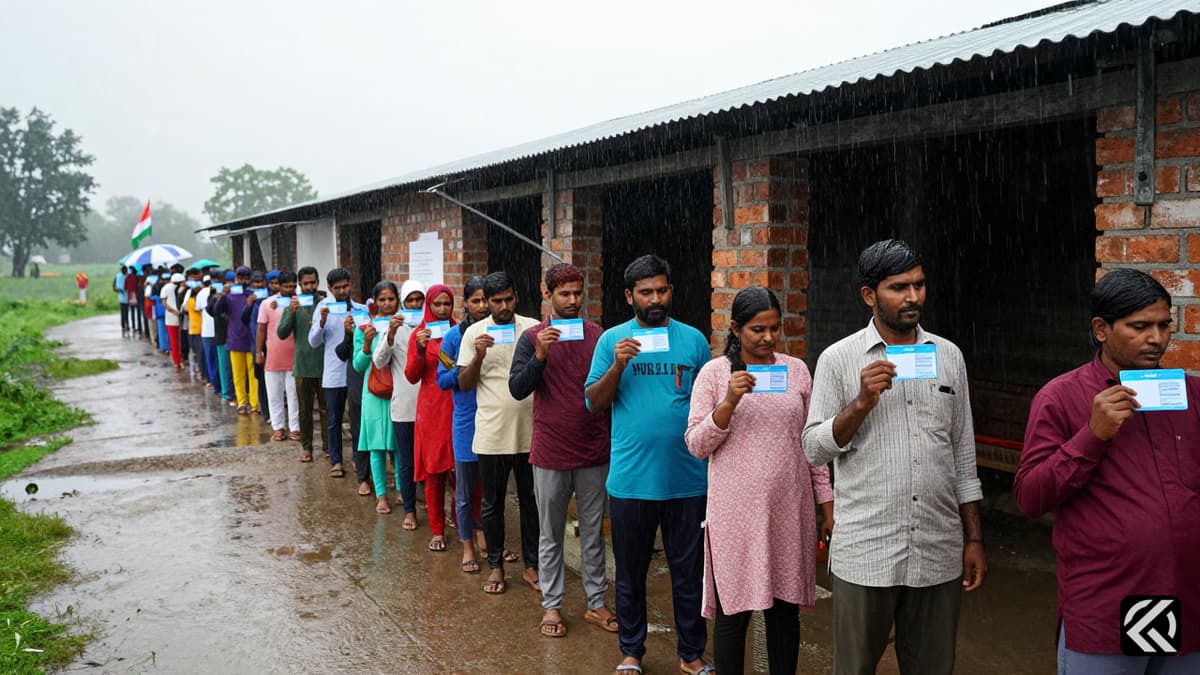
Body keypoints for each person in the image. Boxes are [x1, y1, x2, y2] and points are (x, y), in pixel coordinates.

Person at [801, 239, 985, 675]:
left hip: (937, 550)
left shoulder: (948, 356)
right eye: (899, 287)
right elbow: (813, 447)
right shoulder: (838, 359)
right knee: (855, 668)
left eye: (919, 285)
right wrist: (860, 402)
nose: (913, 297)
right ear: (869, 295)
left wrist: (973, 537)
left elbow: (962, 454)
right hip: (867, 552)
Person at [1014, 269, 1200, 673]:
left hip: (1185, 600)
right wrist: (1091, 436)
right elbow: (1030, 497)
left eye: (1164, 326)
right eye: (1140, 326)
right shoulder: (1061, 398)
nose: (1157, 338)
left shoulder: (1188, 393)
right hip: (1110, 605)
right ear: (1101, 329)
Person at [686, 286, 834, 675]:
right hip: (735, 516)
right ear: (735, 329)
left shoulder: (796, 370)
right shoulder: (715, 375)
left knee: (785, 613)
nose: (769, 338)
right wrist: (729, 402)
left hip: (789, 511)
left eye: (775, 328)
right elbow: (696, 445)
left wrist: (827, 505)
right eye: (757, 330)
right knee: (735, 614)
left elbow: (811, 445)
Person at [584, 254, 713, 675]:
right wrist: (619, 365)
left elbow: (705, 404)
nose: (655, 299)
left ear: (671, 291)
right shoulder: (611, 341)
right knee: (630, 572)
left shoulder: (693, 340)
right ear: (629, 296)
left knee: (688, 574)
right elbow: (594, 403)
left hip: (688, 479)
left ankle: (691, 653)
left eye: (661, 290)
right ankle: (631, 652)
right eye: (645, 292)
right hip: (632, 481)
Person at [509, 263, 616, 638]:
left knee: (592, 531)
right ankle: (551, 606)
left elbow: (608, 389)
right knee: (550, 532)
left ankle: (596, 601)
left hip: (593, 450)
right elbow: (517, 389)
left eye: (577, 293)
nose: (573, 301)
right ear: (547, 294)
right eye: (564, 294)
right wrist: (540, 355)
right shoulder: (532, 337)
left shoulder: (598, 336)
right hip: (551, 450)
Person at [457, 271, 541, 595]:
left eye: (509, 299)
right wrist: (479, 355)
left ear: (516, 297)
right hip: (492, 433)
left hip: (531, 431)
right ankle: (495, 565)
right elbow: (464, 384)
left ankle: (532, 565)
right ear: (486, 302)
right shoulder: (475, 333)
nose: (504, 306)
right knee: (491, 504)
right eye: (497, 301)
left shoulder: (531, 328)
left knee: (530, 501)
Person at [437, 276, 491, 573]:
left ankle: (488, 537)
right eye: (476, 301)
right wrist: (465, 370)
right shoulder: (454, 338)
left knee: (491, 488)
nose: (483, 306)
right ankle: (467, 544)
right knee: (465, 488)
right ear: (466, 303)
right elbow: (442, 380)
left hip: (496, 420)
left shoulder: (501, 333)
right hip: (467, 421)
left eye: (487, 300)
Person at [404, 283, 458, 553]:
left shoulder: (460, 331)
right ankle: (437, 529)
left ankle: (462, 522)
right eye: (436, 304)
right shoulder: (419, 334)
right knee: (435, 473)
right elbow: (412, 376)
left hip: (458, 408)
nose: (441, 309)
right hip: (431, 411)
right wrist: (422, 350)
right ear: (429, 305)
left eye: (446, 304)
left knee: (461, 472)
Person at [310, 267, 368, 480]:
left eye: (345, 286)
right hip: (333, 373)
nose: (342, 291)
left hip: (357, 373)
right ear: (330, 289)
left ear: (350, 284)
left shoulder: (362, 309)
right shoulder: (323, 308)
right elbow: (313, 342)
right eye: (337, 288)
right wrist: (322, 322)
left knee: (357, 420)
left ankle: (357, 458)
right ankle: (336, 460)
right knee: (333, 419)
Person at [377, 280, 425, 526]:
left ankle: (433, 504)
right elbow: (379, 361)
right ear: (403, 302)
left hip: (431, 406)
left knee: (432, 460)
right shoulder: (394, 327)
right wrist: (391, 334)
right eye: (411, 300)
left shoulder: (434, 326)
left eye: (419, 299)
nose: (415, 304)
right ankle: (409, 509)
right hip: (405, 406)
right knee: (406, 461)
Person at [354, 281, 403, 514]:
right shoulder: (364, 327)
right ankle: (382, 495)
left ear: (397, 300)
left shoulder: (405, 324)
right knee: (376, 446)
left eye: (390, 299)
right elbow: (357, 365)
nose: (386, 304)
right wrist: (365, 344)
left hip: (399, 389)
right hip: (373, 391)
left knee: (398, 444)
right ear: (375, 302)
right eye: (382, 300)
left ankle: (403, 490)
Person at [279, 266, 327, 463]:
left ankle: (328, 447)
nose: (309, 286)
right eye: (305, 283)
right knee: (305, 410)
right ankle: (307, 448)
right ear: (299, 284)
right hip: (302, 367)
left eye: (313, 282)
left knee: (327, 410)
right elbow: (281, 333)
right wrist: (291, 312)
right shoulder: (292, 305)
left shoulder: (325, 303)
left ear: (317, 282)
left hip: (325, 366)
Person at [336, 296, 373, 496]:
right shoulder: (355, 320)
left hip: (382, 381)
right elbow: (342, 354)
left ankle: (386, 478)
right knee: (360, 431)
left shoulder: (373, 314)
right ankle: (363, 477)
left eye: (390, 300)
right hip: (358, 381)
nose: (386, 304)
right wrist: (348, 334)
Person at [258, 270, 300, 441]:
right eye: (286, 286)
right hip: (273, 356)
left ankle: (295, 428)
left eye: (293, 286)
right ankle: (278, 427)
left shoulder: (301, 303)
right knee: (274, 394)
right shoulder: (268, 304)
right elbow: (261, 329)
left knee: (294, 395)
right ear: (279, 286)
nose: (290, 289)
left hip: (295, 357)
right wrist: (258, 352)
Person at [214, 266, 259, 415]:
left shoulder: (254, 295)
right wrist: (222, 295)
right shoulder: (229, 296)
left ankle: (254, 404)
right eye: (240, 278)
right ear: (236, 279)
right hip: (234, 339)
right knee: (238, 374)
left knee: (253, 375)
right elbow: (216, 311)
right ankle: (242, 402)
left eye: (246, 278)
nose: (243, 281)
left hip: (251, 339)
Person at [196, 276, 219, 389]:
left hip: (207, 330)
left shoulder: (200, 293)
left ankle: (213, 382)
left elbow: (198, 308)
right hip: (220, 331)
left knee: (210, 358)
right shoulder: (223, 290)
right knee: (220, 359)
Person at [162, 272, 185, 368]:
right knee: (178, 340)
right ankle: (178, 360)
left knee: (174, 340)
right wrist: (177, 312)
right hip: (177, 316)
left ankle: (177, 361)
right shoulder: (182, 288)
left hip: (171, 317)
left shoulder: (166, 287)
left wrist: (173, 311)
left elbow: (164, 303)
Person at [125, 264, 144, 337]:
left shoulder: (127, 277)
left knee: (132, 312)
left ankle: (133, 326)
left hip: (130, 296)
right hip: (137, 296)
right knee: (139, 312)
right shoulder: (137, 277)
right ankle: (139, 327)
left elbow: (125, 287)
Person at [115, 265, 129, 333]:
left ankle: (124, 325)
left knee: (124, 312)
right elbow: (114, 287)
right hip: (124, 297)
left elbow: (114, 287)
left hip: (125, 296)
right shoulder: (125, 276)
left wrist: (118, 290)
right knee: (125, 312)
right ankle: (125, 325)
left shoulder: (118, 276)